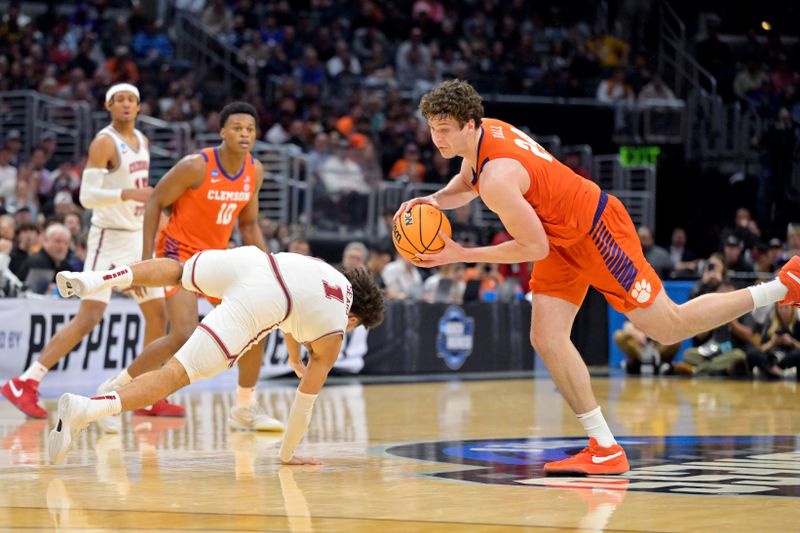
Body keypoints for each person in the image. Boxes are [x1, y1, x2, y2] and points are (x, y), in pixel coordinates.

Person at [396, 79, 800, 475]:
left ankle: (780, 287)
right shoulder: (487, 135)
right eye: (432, 129)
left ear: (469, 125)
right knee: (547, 337)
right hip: (560, 238)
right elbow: (466, 181)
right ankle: (604, 447)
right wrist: (432, 200)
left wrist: (461, 255)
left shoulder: (498, 177)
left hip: (596, 231)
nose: (437, 139)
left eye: (444, 130)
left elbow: (531, 248)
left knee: (668, 327)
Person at [48, 246, 385, 465]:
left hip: (256, 262)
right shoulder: (336, 332)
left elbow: (297, 309)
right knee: (176, 374)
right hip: (263, 301)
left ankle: (96, 279)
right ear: (354, 318)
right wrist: (287, 454)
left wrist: (294, 356)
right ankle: (88, 409)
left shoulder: (329, 273)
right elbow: (303, 404)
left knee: (179, 273)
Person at [96, 101, 281, 431]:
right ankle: (112, 391)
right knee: (182, 333)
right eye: (237, 128)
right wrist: (145, 259)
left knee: (257, 324)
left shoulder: (254, 170)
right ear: (222, 132)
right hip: (178, 253)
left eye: (250, 129)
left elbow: (249, 225)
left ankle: (244, 407)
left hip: (215, 259)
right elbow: (155, 201)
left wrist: (271, 268)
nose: (244, 134)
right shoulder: (195, 166)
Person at [1, 84, 167, 421]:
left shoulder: (144, 142)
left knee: (158, 316)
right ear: (108, 105)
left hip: (135, 237)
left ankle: (147, 393)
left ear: (138, 107)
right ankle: (25, 382)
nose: (126, 104)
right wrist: (127, 195)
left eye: (132, 100)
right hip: (109, 239)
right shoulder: (104, 142)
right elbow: (88, 196)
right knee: (89, 317)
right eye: (119, 99)